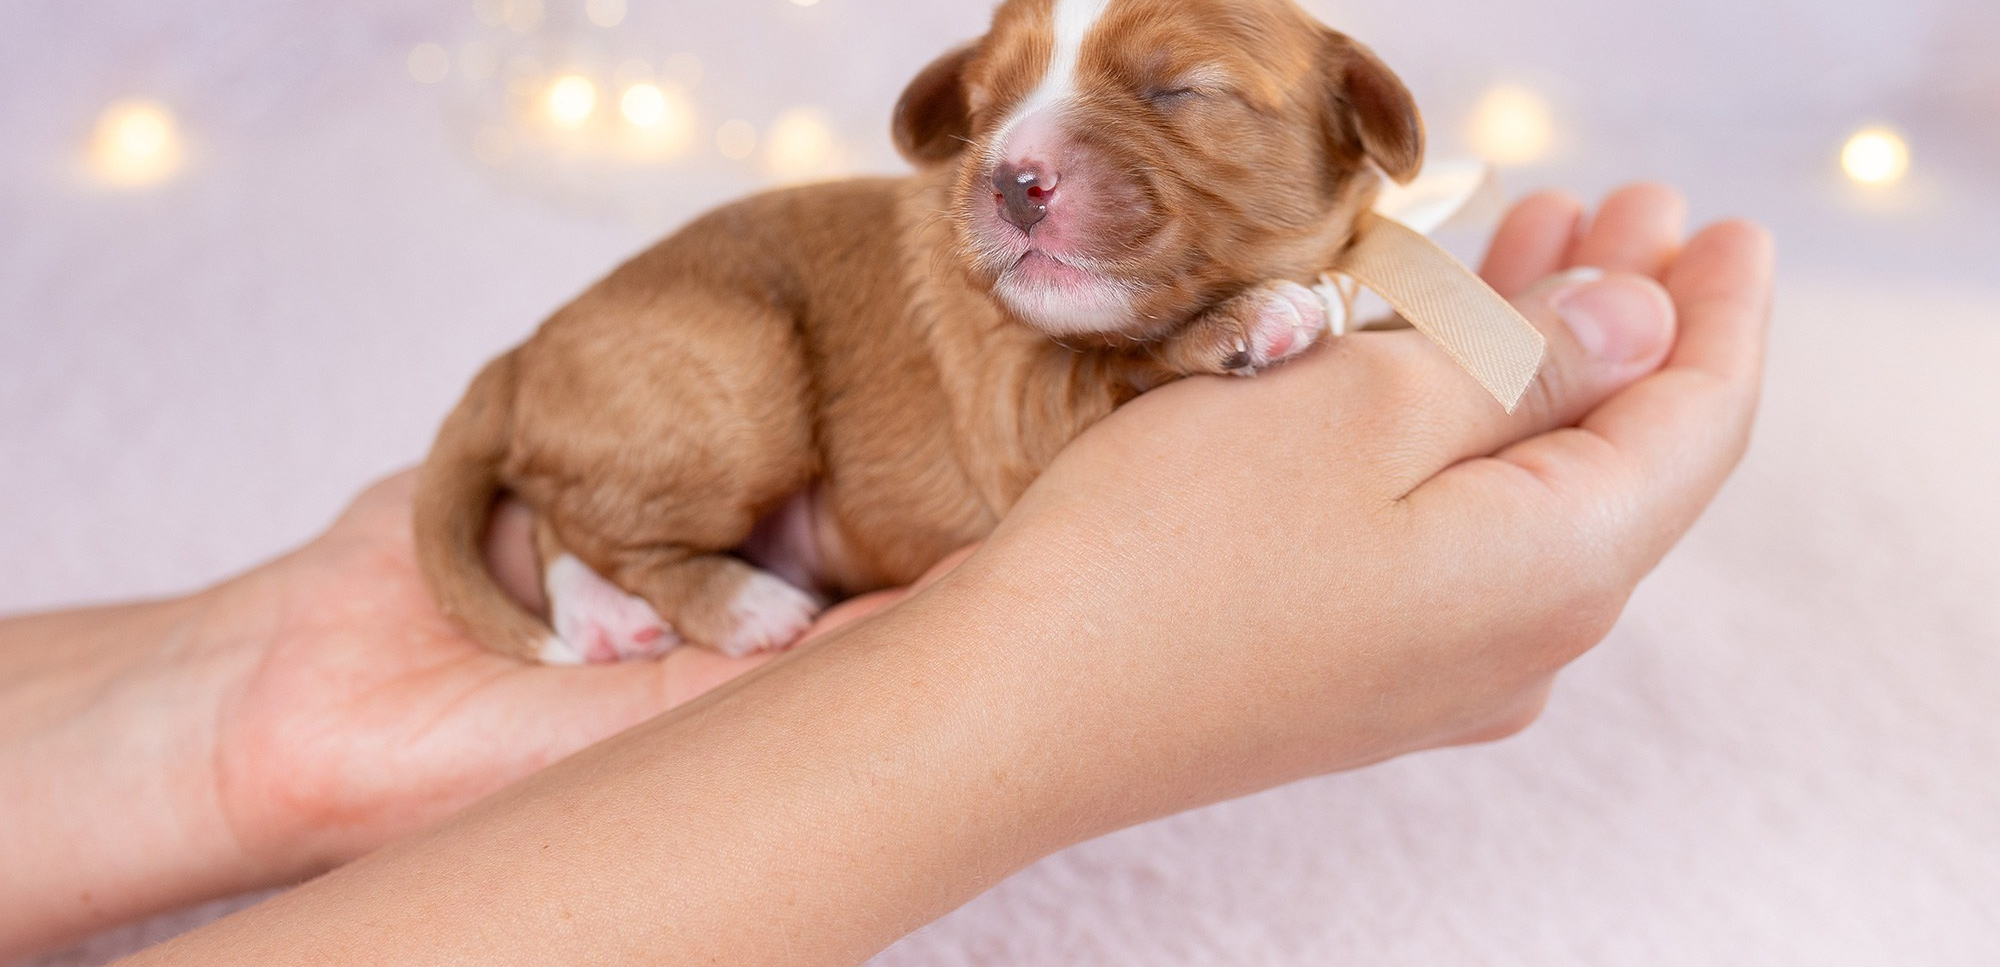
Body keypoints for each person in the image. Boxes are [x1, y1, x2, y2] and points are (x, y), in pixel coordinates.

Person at [0, 185, 1771, 964]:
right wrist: (1005, 706)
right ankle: (642, 558)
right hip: (667, 397)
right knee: (700, 423)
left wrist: (219, 707)